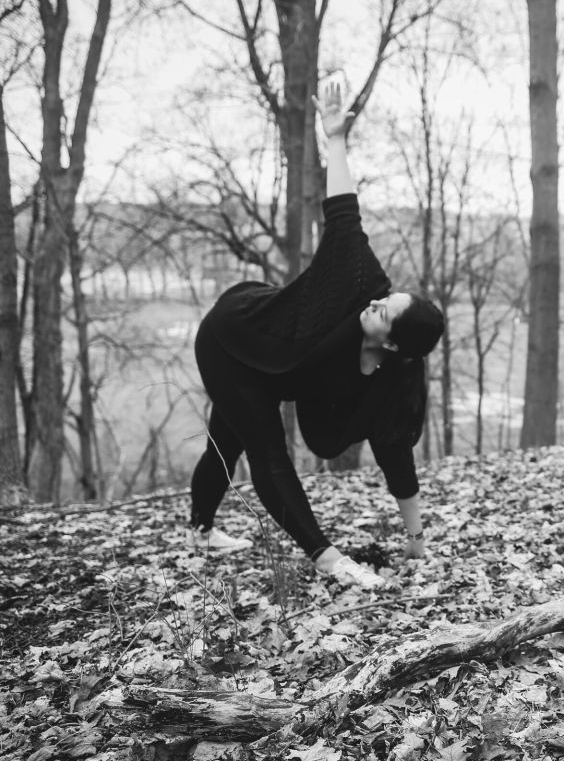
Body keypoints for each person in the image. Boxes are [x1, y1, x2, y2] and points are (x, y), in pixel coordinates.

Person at [185, 82, 444, 588]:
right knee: (263, 446)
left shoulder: (392, 380)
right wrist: (336, 140)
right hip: (234, 338)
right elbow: (345, 214)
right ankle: (326, 557)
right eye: (385, 298)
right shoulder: (361, 281)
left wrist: (416, 539)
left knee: (226, 439)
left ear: (392, 346)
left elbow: (396, 454)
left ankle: (199, 531)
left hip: (278, 360)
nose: (375, 301)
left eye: (384, 312)